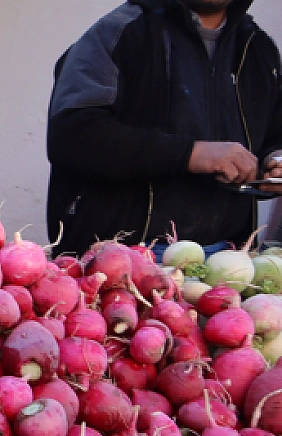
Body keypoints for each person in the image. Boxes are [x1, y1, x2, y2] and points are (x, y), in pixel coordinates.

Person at [47, 0, 282, 253]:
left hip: (228, 260)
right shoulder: (120, 32)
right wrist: (191, 154)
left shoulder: (258, 46)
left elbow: (274, 135)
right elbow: (73, 136)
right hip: (126, 260)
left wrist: (275, 161)